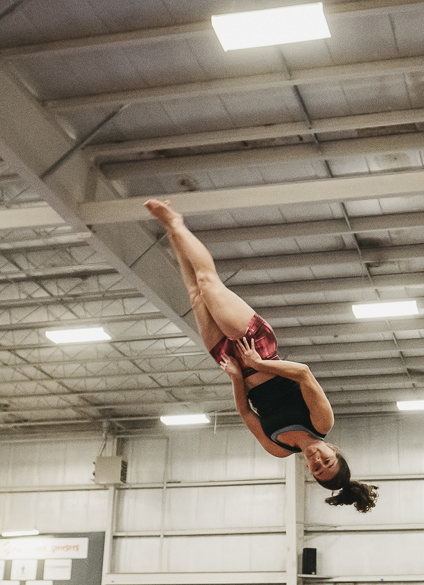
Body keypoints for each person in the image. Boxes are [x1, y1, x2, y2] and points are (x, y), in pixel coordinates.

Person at [145, 198, 377, 512]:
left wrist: (238, 378)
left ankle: (172, 231)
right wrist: (259, 363)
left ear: (309, 471)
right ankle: (175, 223)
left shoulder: (279, 449)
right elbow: (304, 373)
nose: (318, 461)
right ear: (333, 449)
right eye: (327, 460)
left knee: (194, 293)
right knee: (207, 282)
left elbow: (246, 414)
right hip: (258, 349)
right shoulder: (323, 421)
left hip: (235, 365)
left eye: (318, 468)